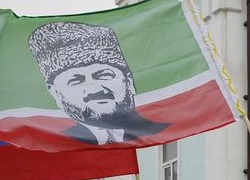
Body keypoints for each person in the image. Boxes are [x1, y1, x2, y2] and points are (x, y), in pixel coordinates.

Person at [27, 21, 167, 145]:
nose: (94, 90)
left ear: (128, 82)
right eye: (76, 81)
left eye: (104, 75)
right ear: (56, 93)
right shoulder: (57, 144)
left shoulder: (165, 132)